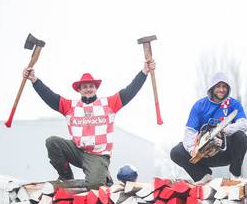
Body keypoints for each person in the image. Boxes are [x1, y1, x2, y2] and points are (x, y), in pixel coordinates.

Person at [23, 60, 155, 189]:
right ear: (79, 90)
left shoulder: (108, 104)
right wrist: (34, 80)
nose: (88, 89)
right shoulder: (70, 106)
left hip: (97, 155)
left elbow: (130, 91)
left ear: (96, 88)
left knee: (94, 185)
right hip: (77, 151)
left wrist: (144, 72)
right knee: (52, 142)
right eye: (84, 87)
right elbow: (49, 96)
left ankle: (104, 175)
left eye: (91, 86)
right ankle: (66, 176)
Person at [170, 73, 247, 183]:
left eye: (224, 87)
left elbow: (244, 124)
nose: (221, 90)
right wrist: (192, 149)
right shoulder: (199, 105)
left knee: (241, 137)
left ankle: (235, 175)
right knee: (176, 152)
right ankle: (203, 176)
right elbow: (189, 131)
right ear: (212, 88)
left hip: (224, 152)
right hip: (204, 155)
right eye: (218, 86)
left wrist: (227, 129)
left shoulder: (234, 104)